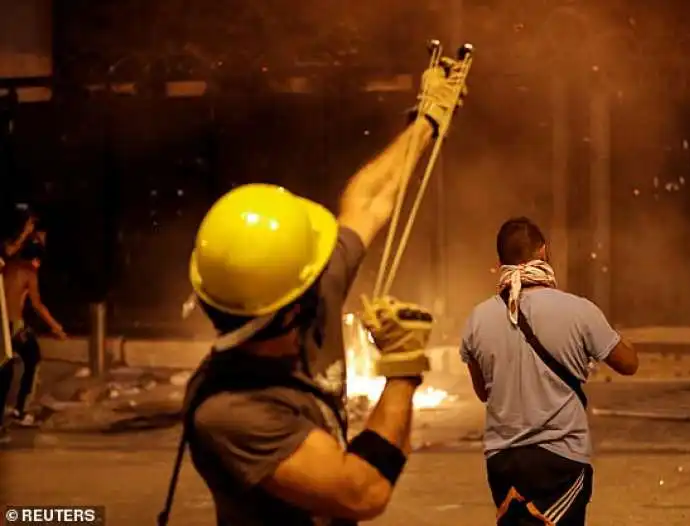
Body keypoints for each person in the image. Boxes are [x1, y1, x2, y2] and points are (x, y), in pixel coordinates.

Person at [170, 58, 467, 526]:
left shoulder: (300, 296)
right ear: (287, 308)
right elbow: (360, 492)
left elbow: (367, 202)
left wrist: (428, 119)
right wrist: (403, 369)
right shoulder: (230, 412)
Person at [459, 217, 639, 526]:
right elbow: (629, 363)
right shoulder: (579, 310)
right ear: (544, 252)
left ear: (500, 263)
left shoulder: (477, 319)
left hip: (502, 462)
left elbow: (483, 393)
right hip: (561, 459)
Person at [0, 228, 67, 443]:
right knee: (33, 358)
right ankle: (22, 408)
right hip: (15, 327)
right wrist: (55, 327)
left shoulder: (8, 267)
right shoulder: (29, 273)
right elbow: (37, 305)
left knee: (7, 369)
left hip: (3, 326)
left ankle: (14, 410)